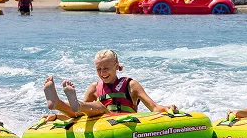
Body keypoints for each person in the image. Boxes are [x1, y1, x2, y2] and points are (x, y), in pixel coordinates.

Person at [43, 49, 175, 118]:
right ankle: (57, 103)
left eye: (106, 68)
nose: (102, 73)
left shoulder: (131, 85)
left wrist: (167, 108)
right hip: (100, 122)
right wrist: (57, 116)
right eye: (98, 69)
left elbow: (154, 107)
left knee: (99, 107)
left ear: (116, 66)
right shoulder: (95, 88)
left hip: (123, 123)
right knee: (84, 108)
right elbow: (79, 114)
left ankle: (66, 103)